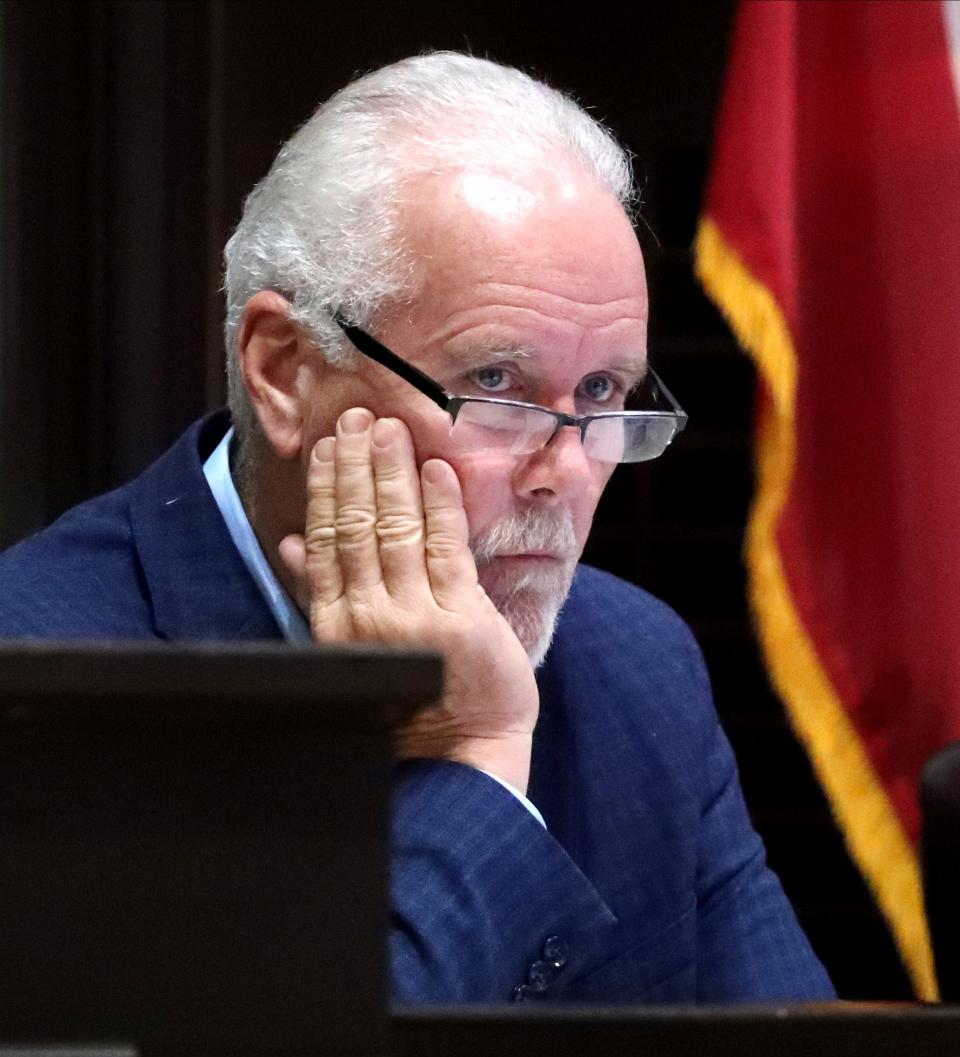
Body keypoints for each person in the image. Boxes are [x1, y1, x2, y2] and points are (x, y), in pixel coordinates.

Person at [0, 52, 834, 1004]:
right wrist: (476, 755)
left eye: (601, 391)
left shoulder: (634, 667)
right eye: (494, 385)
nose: (562, 472)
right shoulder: (43, 679)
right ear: (285, 370)